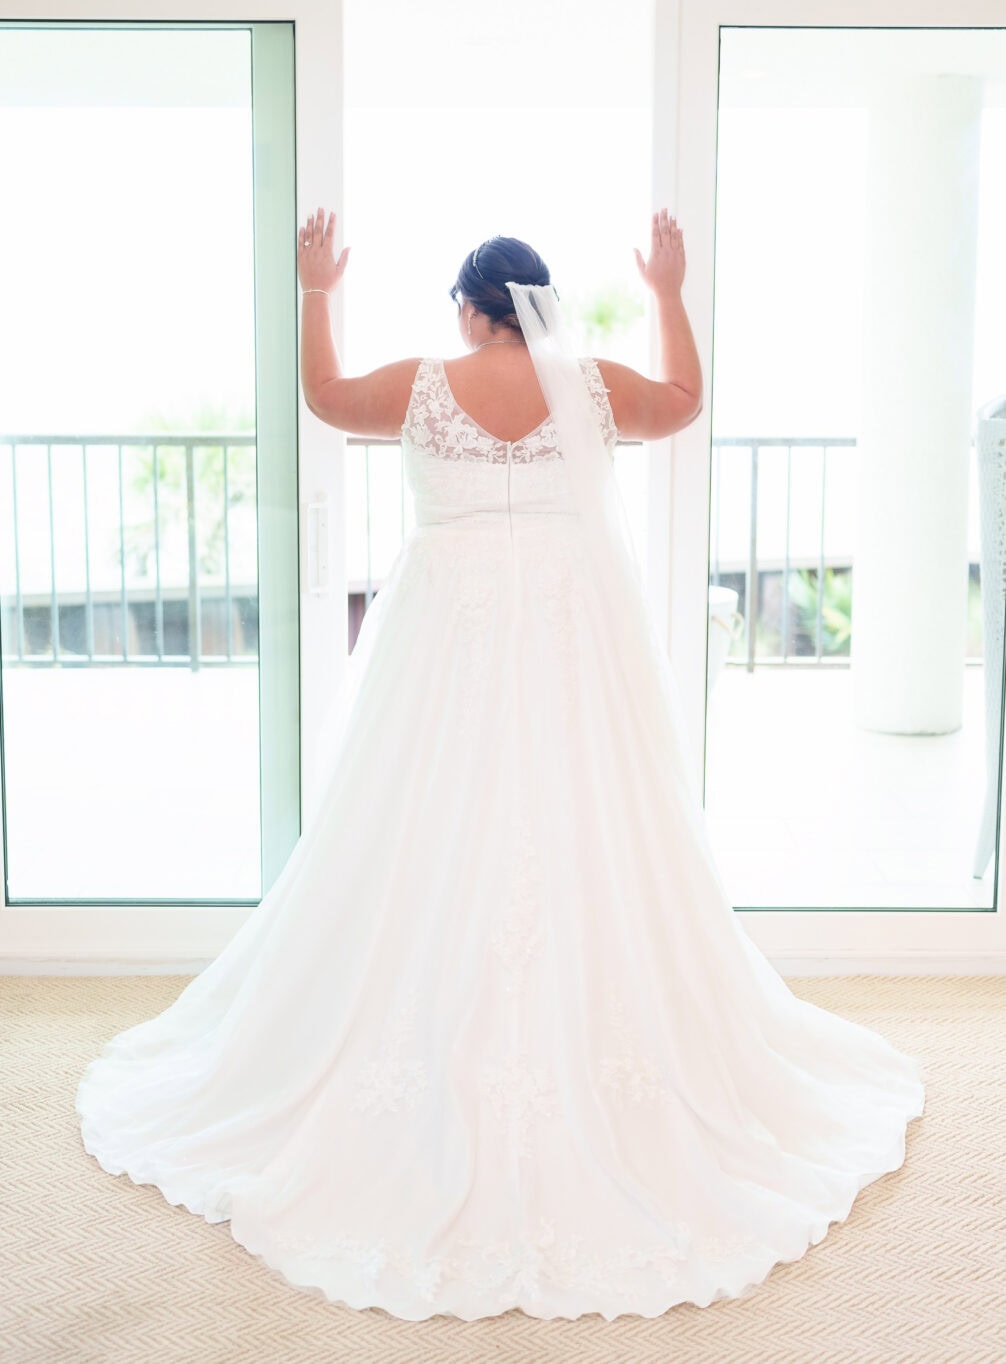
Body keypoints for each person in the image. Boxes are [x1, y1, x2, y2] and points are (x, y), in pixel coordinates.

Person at [76, 209, 925, 1324]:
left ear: (471, 310)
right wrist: (668, 289)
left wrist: (316, 287)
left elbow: (326, 399)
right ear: (539, 307)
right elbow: (685, 405)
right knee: (589, 826)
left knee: (419, 829)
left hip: (449, 640)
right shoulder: (593, 386)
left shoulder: (426, 384)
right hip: (573, 639)